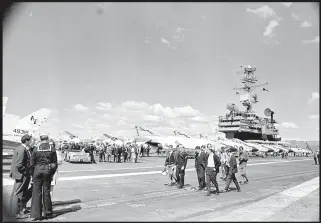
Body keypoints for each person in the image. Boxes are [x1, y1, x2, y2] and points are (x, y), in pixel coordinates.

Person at [30, 134, 58, 220]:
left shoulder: (35, 148)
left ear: (40, 139)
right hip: (47, 171)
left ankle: (36, 214)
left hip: (37, 171)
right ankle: (48, 213)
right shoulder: (52, 149)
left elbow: (32, 163)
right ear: (47, 139)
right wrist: (51, 173)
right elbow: (54, 163)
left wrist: (32, 174)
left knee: (36, 192)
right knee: (46, 192)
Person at [9, 134, 33, 219]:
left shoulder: (21, 148)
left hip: (20, 174)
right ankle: (16, 213)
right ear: (27, 141)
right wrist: (26, 172)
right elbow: (19, 165)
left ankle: (21, 209)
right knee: (18, 193)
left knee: (21, 193)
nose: (32, 141)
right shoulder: (22, 149)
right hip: (21, 175)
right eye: (31, 140)